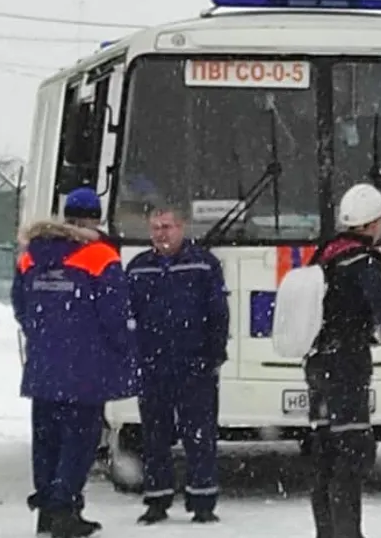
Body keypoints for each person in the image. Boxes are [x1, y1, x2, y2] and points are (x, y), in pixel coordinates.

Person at [12, 186, 138, 538]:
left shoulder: (31, 256)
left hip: (43, 367)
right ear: (97, 218)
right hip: (85, 370)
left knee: (46, 440)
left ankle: (47, 512)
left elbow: (21, 307)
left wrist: (46, 336)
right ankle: (65, 508)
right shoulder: (99, 256)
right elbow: (116, 315)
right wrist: (121, 349)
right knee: (78, 443)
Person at [126, 205, 230, 525]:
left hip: (194, 364)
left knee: (199, 435)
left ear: (182, 227)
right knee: (154, 437)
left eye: (167, 226)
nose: (161, 233)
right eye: (156, 227)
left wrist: (213, 354)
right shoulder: (139, 267)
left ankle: (202, 502)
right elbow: (127, 315)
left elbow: (218, 313)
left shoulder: (202, 264)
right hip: (153, 366)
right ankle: (157, 501)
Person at [306, 183, 381, 538]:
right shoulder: (365, 262)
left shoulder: (324, 255)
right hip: (347, 365)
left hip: (317, 366)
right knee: (352, 454)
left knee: (325, 456)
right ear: (373, 223)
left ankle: (326, 533)